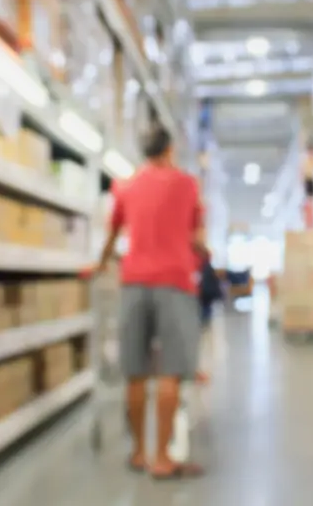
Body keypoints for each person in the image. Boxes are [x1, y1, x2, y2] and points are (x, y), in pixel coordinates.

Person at [95, 127, 205, 479]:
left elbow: (113, 233)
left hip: (134, 282)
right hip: (175, 281)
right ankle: (162, 457)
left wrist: (99, 264)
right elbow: (197, 237)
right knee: (171, 370)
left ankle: (139, 452)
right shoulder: (187, 185)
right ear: (170, 150)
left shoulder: (125, 186)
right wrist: (202, 253)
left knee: (136, 372)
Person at [196, 248, 223, 384]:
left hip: (201, 311)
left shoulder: (205, 270)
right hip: (201, 311)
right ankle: (198, 370)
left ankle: (199, 371)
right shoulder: (203, 269)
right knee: (201, 343)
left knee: (201, 344)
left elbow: (212, 291)